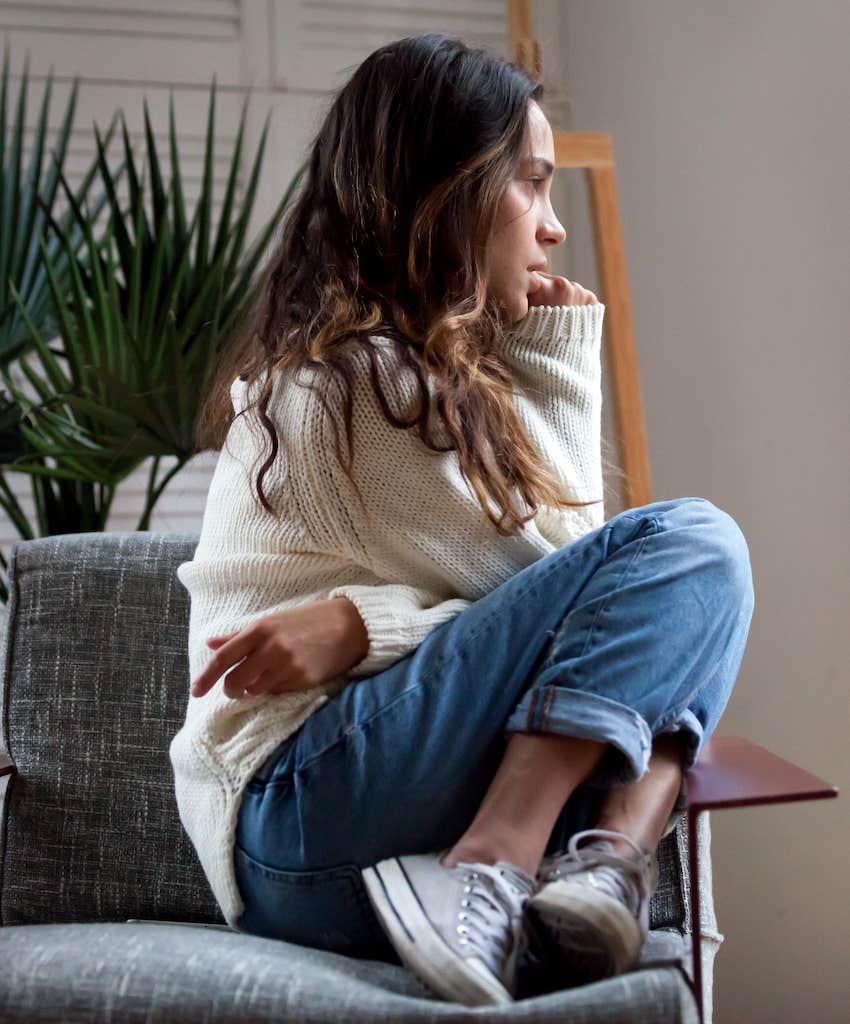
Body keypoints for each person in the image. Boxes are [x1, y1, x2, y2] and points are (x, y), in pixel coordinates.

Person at [170, 32, 755, 1009]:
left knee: (675, 617)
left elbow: (586, 631)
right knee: (698, 550)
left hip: (351, 825)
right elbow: (581, 580)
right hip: (302, 808)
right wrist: (563, 355)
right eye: (530, 185)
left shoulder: (428, 380)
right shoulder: (353, 380)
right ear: (448, 191)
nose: (553, 230)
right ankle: (530, 854)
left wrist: (364, 623)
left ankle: (598, 868)